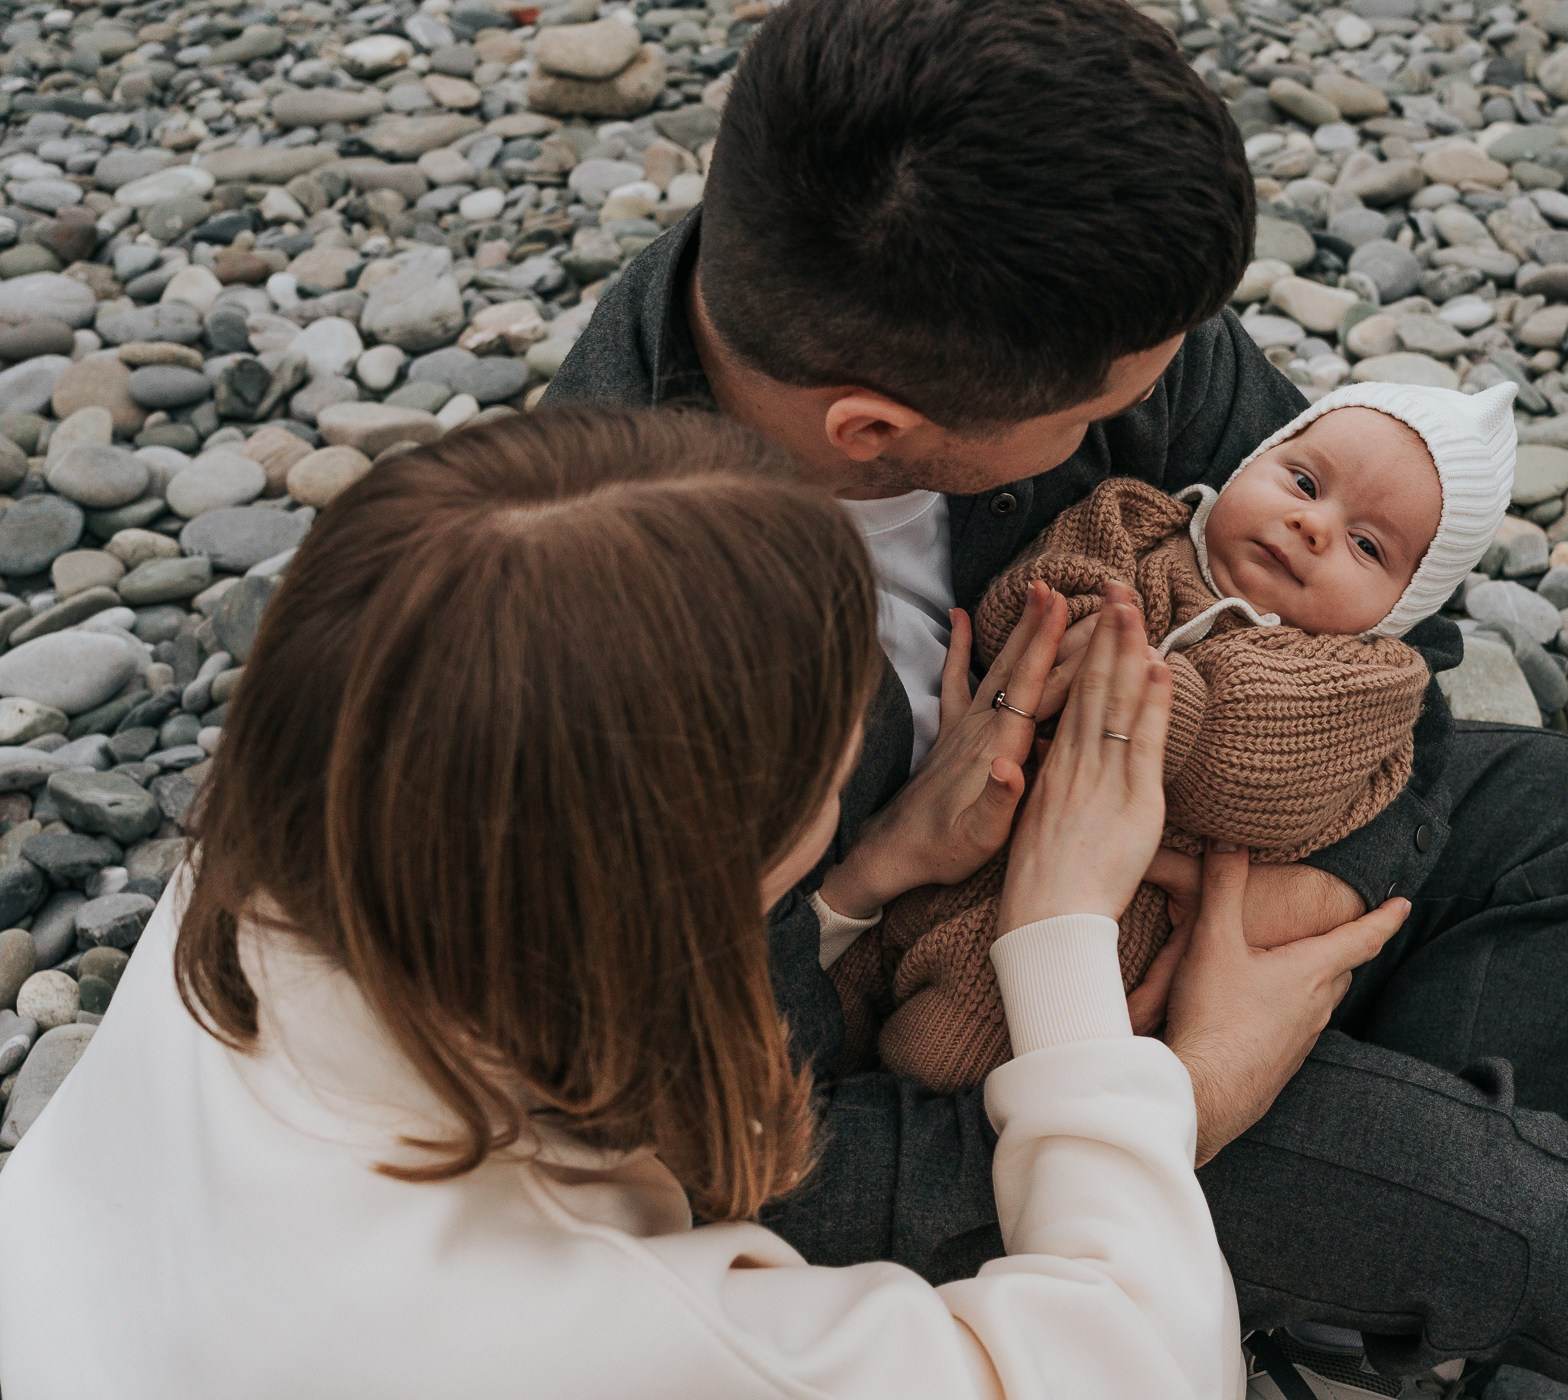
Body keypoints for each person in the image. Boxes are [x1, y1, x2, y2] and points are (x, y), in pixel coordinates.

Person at [544, 0, 1568, 1392]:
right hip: (924, 1066)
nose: (1170, 397)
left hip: (1187, 864)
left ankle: (1362, 1317)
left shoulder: (1041, 279)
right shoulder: (615, 650)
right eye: (1108, 408)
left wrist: (1286, 908)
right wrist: (1175, 1091)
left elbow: (1391, 641)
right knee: (1498, 1201)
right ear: (875, 430)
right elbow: (763, 1150)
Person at [0, 406, 1398, 1399]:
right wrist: (1079, 963)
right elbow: (1140, 1370)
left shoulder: (298, 834)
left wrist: (866, 874)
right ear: (689, 876)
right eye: (835, 767)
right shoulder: (621, 1336)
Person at [829, 382, 1518, 1093]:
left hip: (1103, 930)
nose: (1313, 524)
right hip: (944, 846)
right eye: (1304, 483)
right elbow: (1033, 592)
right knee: (828, 998)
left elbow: (1258, 767)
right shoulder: (1134, 522)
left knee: (942, 1059)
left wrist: (1145, 687)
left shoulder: (1360, 677)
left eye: (1366, 545)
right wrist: (1060, 622)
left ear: (1400, 609)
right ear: (1253, 459)